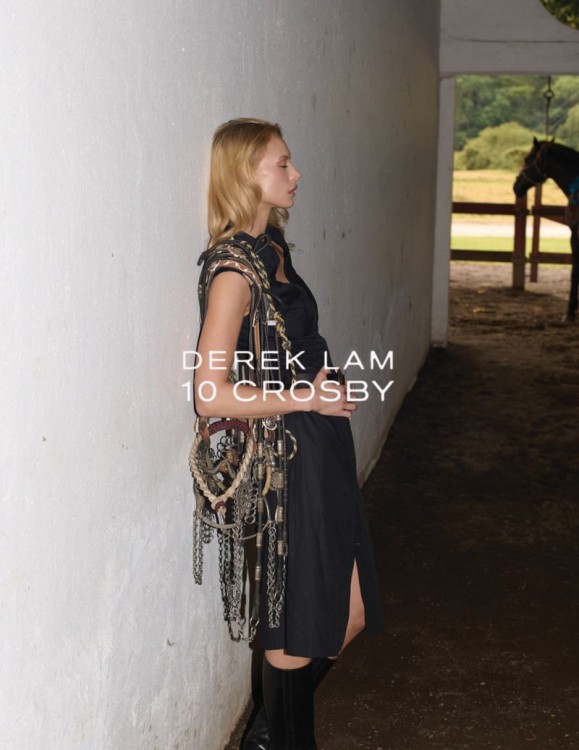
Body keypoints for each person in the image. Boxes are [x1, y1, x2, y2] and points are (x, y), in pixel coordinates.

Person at [195, 118, 383, 750]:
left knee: (350, 612)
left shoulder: (270, 248)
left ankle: (264, 738)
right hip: (285, 456)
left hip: (319, 442)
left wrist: (320, 390)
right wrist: (307, 396)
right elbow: (209, 392)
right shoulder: (233, 272)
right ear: (245, 174)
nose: (295, 173)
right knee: (296, 622)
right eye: (282, 163)